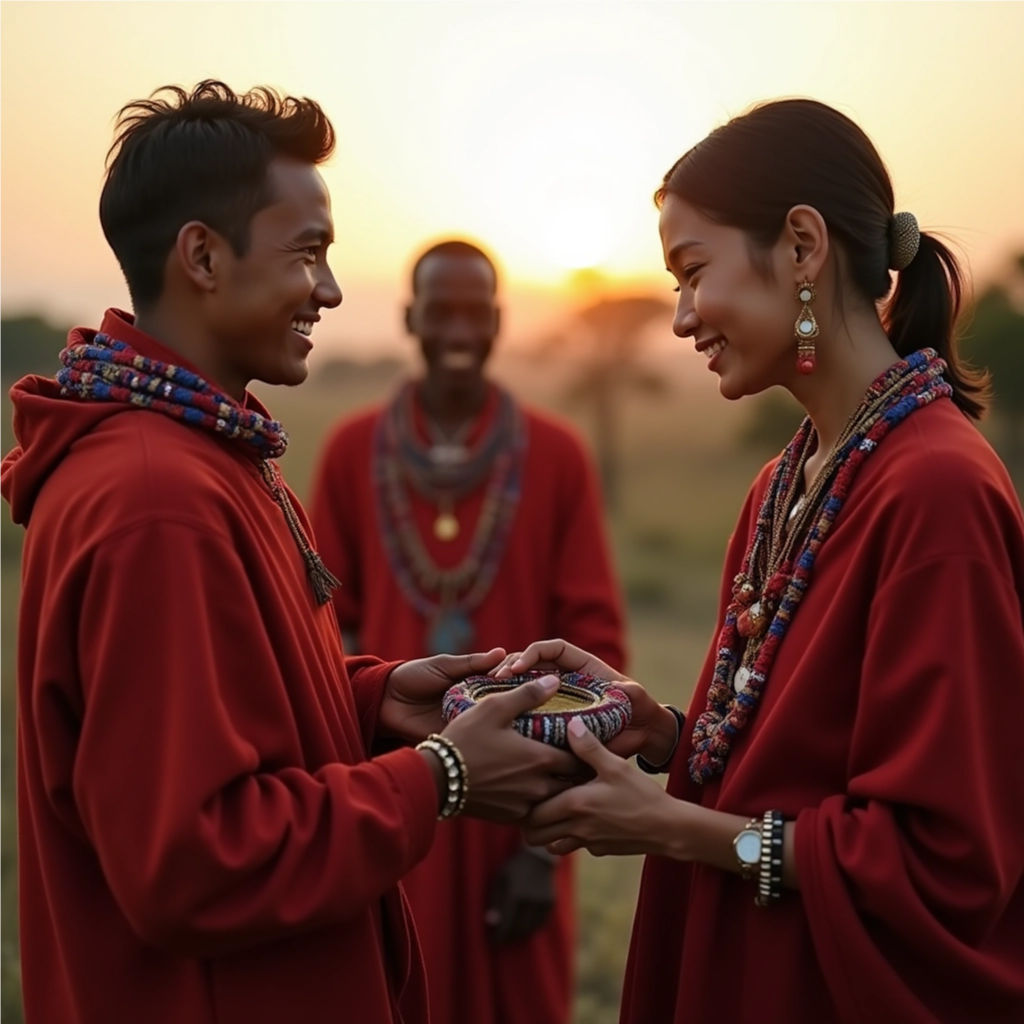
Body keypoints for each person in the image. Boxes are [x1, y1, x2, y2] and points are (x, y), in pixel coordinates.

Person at [0, 82, 581, 1024]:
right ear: (202, 256)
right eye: (308, 252)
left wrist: (369, 698)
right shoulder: (158, 499)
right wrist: (442, 775)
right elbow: (193, 861)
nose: (331, 288)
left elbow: (223, 718)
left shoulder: (208, 455)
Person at [496, 98, 1024, 1023]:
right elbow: (788, 761)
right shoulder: (787, 483)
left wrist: (672, 829)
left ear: (804, 246)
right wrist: (659, 731)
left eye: (693, 272)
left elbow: (942, 866)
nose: (681, 317)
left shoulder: (936, 491)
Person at [309, 239, 626, 1024]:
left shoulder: (555, 455)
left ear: (498, 321)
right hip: (395, 787)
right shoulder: (354, 452)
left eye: (472, 310)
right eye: (439, 309)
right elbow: (316, 638)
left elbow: (600, 655)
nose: (456, 328)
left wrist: (540, 850)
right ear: (410, 317)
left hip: (522, 796)